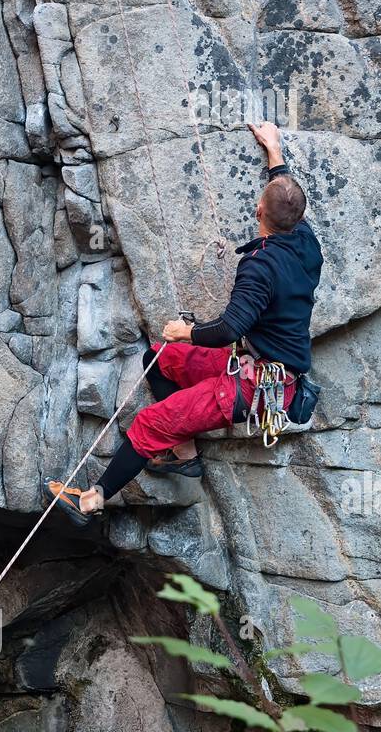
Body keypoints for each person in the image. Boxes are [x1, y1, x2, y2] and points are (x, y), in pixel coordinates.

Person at [44, 119, 323, 522]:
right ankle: (185, 456)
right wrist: (274, 151)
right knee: (160, 358)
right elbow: (288, 199)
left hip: (255, 386)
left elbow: (229, 329)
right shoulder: (305, 241)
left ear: (258, 210)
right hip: (259, 368)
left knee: (150, 423)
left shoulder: (259, 267)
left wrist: (186, 332)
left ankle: (91, 502)